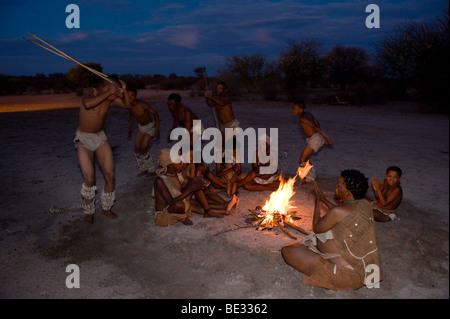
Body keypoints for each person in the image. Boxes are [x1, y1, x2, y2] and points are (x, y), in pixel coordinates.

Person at [281, 169, 382, 290]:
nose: (336, 187)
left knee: (288, 251)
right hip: (365, 271)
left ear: (348, 192)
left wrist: (317, 200)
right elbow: (341, 215)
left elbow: (317, 227)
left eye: (339, 185)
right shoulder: (364, 205)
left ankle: (328, 274)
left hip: (345, 276)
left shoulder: (338, 212)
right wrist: (325, 200)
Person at [74, 76, 127, 224]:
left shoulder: (110, 96)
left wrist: (125, 91)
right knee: (90, 179)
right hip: (84, 139)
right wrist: (109, 91)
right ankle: (89, 212)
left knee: (110, 175)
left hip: (100, 138)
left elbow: (128, 105)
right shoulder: (90, 91)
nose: (116, 95)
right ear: (106, 87)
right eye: (115, 91)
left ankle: (106, 208)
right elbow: (88, 103)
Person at [152, 148, 209, 226]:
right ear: (171, 164)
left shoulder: (174, 174)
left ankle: (213, 210)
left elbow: (180, 190)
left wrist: (193, 184)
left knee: (200, 205)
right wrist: (190, 189)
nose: (181, 162)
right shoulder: (159, 180)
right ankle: (183, 217)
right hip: (166, 214)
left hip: (179, 203)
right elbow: (171, 202)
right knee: (179, 205)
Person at [292, 100, 332, 182]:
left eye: (294, 108)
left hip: (314, 138)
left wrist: (325, 136)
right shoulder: (308, 114)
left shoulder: (303, 118)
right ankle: (311, 176)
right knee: (305, 158)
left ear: (301, 109)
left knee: (302, 159)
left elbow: (314, 126)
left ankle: (310, 178)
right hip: (314, 138)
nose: (293, 110)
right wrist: (321, 137)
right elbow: (317, 123)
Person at [125, 87, 160, 177]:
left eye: (132, 96)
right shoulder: (129, 106)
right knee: (136, 150)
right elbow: (132, 116)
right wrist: (129, 128)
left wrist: (157, 130)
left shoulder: (143, 105)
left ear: (136, 96)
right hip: (141, 127)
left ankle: (151, 170)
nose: (130, 98)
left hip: (150, 127)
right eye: (128, 96)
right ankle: (143, 169)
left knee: (144, 149)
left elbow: (156, 115)